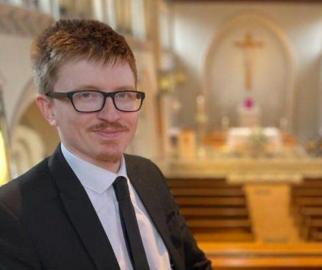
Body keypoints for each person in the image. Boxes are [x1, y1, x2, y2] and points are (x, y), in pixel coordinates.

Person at [0, 19, 211, 270]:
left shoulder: (148, 175)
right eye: (87, 95)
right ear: (48, 109)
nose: (111, 115)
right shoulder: (13, 213)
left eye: (123, 94)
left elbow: (193, 264)